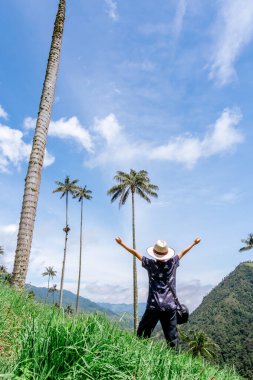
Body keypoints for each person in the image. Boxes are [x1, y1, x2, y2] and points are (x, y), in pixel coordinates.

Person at [115, 236, 201, 348]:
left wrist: (121, 244)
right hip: (170, 306)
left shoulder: (150, 264)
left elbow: (135, 253)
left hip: (153, 305)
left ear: (154, 253)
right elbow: (183, 252)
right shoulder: (172, 263)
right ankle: (174, 361)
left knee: (142, 334)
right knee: (172, 338)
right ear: (167, 253)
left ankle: (139, 354)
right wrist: (194, 243)